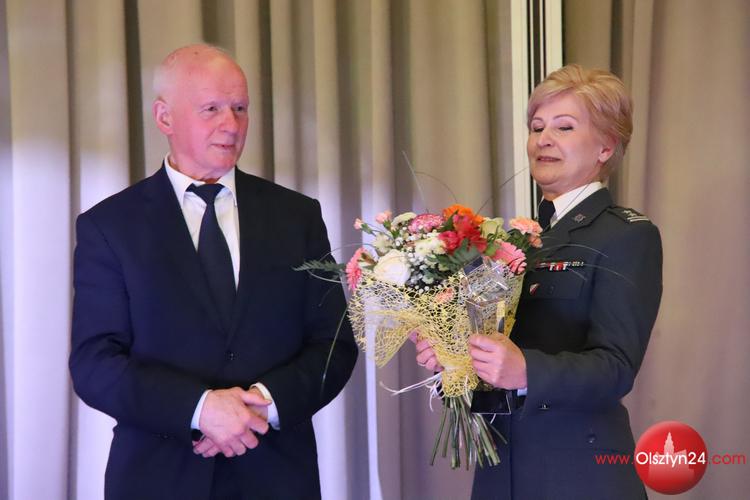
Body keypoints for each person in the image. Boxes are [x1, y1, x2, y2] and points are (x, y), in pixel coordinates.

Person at [69, 44, 357, 500]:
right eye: (212, 109)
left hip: (278, 477)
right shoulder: (109, 227)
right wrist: (200, 409)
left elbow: (334, 344)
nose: (231, 124)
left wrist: (261, 405)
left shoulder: (297, 216)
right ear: (164, 118)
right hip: (158, 480)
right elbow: (95, 364)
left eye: (240, 108)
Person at [414, 65, 662, 499]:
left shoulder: (626, 235)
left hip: (577, 475)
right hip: (501, 470)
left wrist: (525, 370)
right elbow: (499, 359)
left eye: (564, 127)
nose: (543, 139)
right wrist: (455, 358)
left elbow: (616, 367)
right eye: (537, 127)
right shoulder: (513, 239)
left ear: (606, 146)